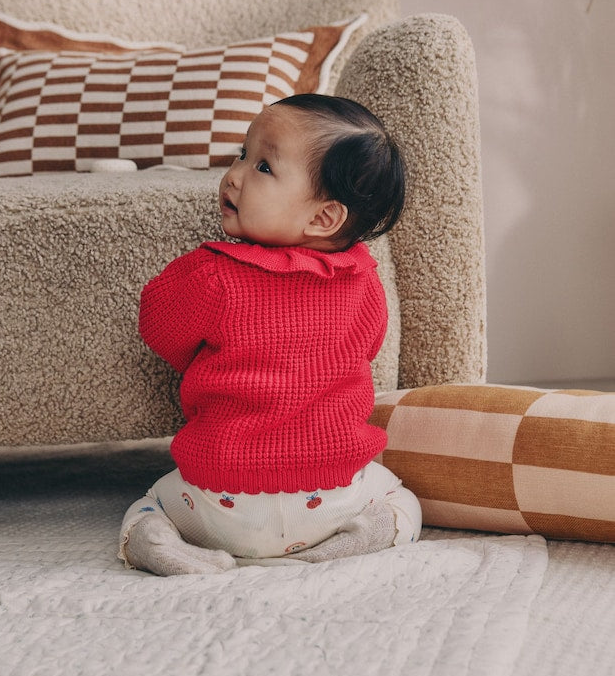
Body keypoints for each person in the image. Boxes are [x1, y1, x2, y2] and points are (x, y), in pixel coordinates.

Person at [118, 93, 422, 575]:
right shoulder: (364, 282)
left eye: (263, 167)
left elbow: (158, 327)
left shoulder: (211, 274)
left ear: (324, 217)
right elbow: (367, 348)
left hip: (220, 501)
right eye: (242, 153)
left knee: (149, 502)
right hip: (334, 494)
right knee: (399, 496)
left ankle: (152, 539)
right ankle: (360, 535)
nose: (235, 174)